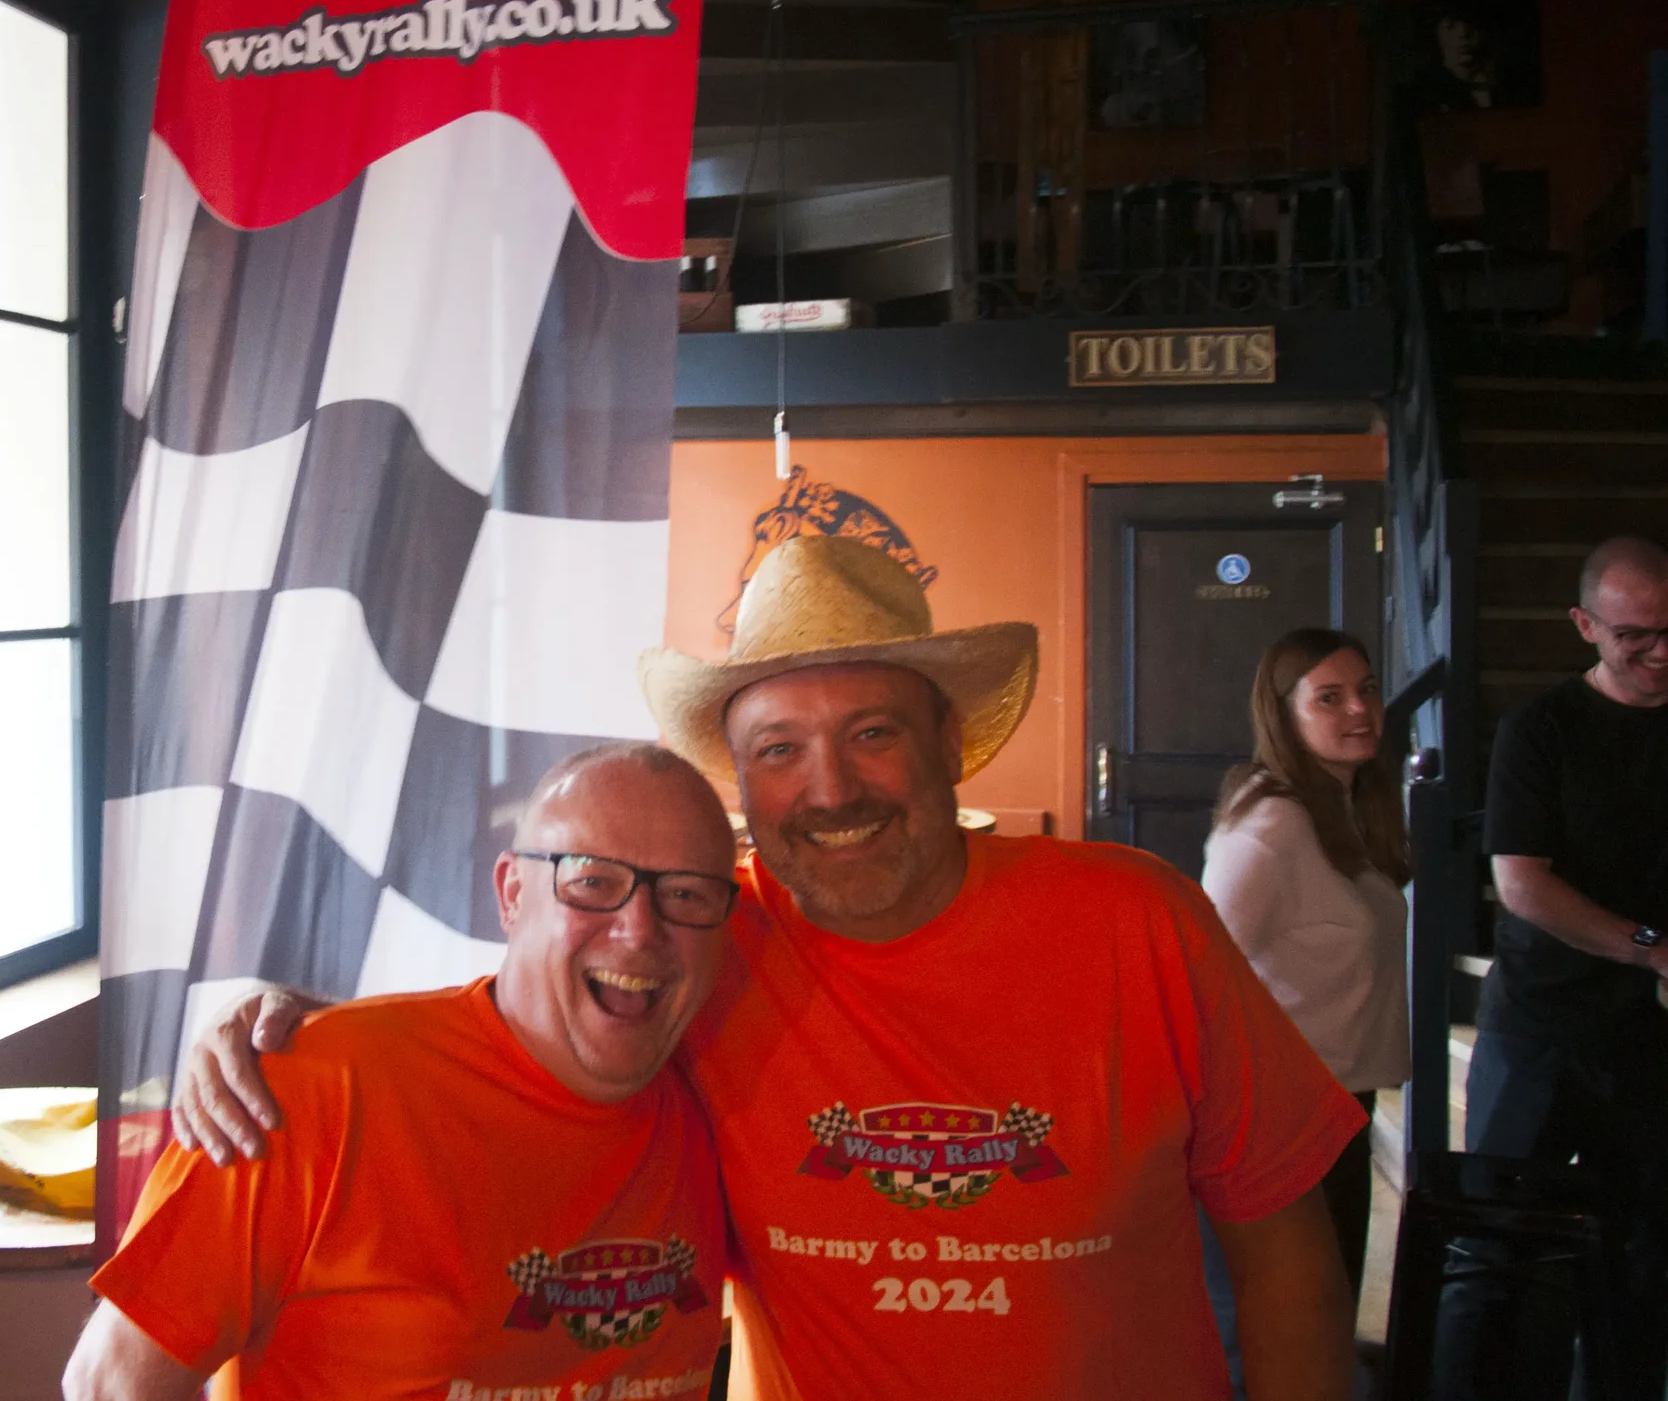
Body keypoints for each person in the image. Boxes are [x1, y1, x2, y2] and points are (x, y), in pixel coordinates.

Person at [175, 535, 1366, 1401]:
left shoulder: (1136, 920)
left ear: (951, 745)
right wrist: (297, 1028)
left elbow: (1282, 1248)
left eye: (873, 734)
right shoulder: (700, 941)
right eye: (780, 750)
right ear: (742, 788)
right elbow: (519, 1029)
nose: (831, 789)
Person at [64, 742, 740, 1401]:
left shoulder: (727, 1101)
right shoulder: (304, 1094)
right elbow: (108, 1384)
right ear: (511, 893)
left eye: (687, 894)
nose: (641, 929)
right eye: (592, 882)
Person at [1457, 533, 1668, 1394]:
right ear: (1586, 625)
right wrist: (1650, 949)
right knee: (1502, 1251)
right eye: (1636, 635)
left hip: (1647, 1044)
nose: (1661, 653)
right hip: (1539, 1032)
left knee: (1646, 1260)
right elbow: (1523, 886)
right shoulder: (1539, 730)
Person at [1199, 630, 1410, 1390]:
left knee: (1322, 1322)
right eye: (1330, 697)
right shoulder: (1271, 826)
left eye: (1368, 690)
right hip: (1282, 1116)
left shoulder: (1348, 809)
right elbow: (1203, 974)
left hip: (1337, 1106)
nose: (1359, 709)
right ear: (1284, 716)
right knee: (1286, 1330)